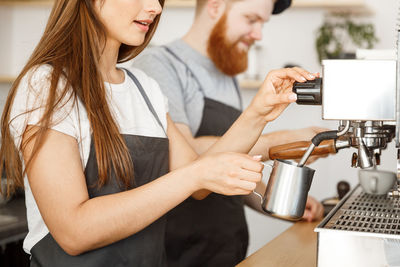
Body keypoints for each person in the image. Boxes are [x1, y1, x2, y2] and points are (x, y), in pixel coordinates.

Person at [0, 0, 317, 266]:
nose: (154, 7)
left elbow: (199, 185)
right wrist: (196, 175)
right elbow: (73, 232)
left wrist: (258, 112)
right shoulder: (47, 86)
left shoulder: (144, 89)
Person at [132, 0, 325, 266]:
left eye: (262, 24)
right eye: (251, 19)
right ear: (215, 6)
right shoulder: (159, 66)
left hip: (227, 251)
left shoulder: (227, 76)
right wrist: (278, 142)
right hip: (179, 253)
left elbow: (231, 166)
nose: (258, 34)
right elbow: (187, 156)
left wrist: (275, 200)